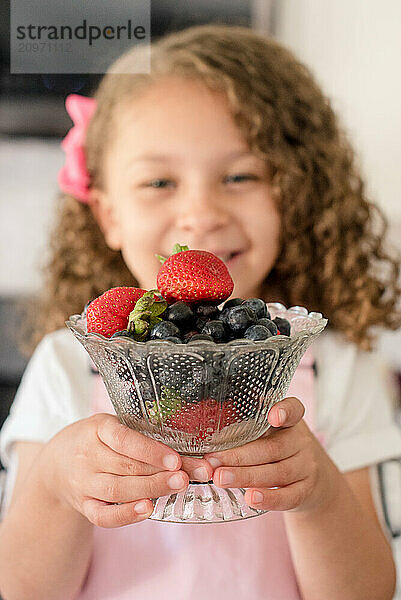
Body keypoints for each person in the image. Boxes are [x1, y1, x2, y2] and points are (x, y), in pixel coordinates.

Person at [0, 24, 400, 600]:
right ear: (108, 215)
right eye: (160, 181)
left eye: (239, 176)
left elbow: (366, 592)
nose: (200, 214)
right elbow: (22, 590)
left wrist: (319, 493)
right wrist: (59, 486)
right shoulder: (67, 365)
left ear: (295, 195)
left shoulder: (339, 370)